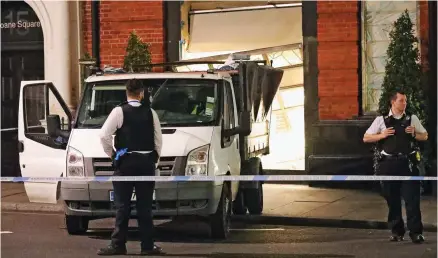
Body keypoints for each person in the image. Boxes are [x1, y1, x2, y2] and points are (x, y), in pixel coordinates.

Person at [97, 79, 164, 255]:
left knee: (122, 206)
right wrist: (154, 159)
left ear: (126, 93)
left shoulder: (119, 112)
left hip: (125, 164)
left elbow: (104, 135)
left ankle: (118, 245)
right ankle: (147, 247)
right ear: (141, 93)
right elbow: (158, 140)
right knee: (145, 207)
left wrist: (113, 155)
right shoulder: (151, 113)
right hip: (145, 164)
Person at [363, 91, 428, 244]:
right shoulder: (381, 120)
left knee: (412, 201)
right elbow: (366, 137)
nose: (404, 103)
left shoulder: (412, 119)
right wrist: (382, 135)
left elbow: (424, 136)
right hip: (388, 165)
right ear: (393, 102)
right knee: (392, 200)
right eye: (401, 101)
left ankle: (416, 233)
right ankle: (396, 232)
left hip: (408, 164)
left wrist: (414, 134)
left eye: (405, 101)